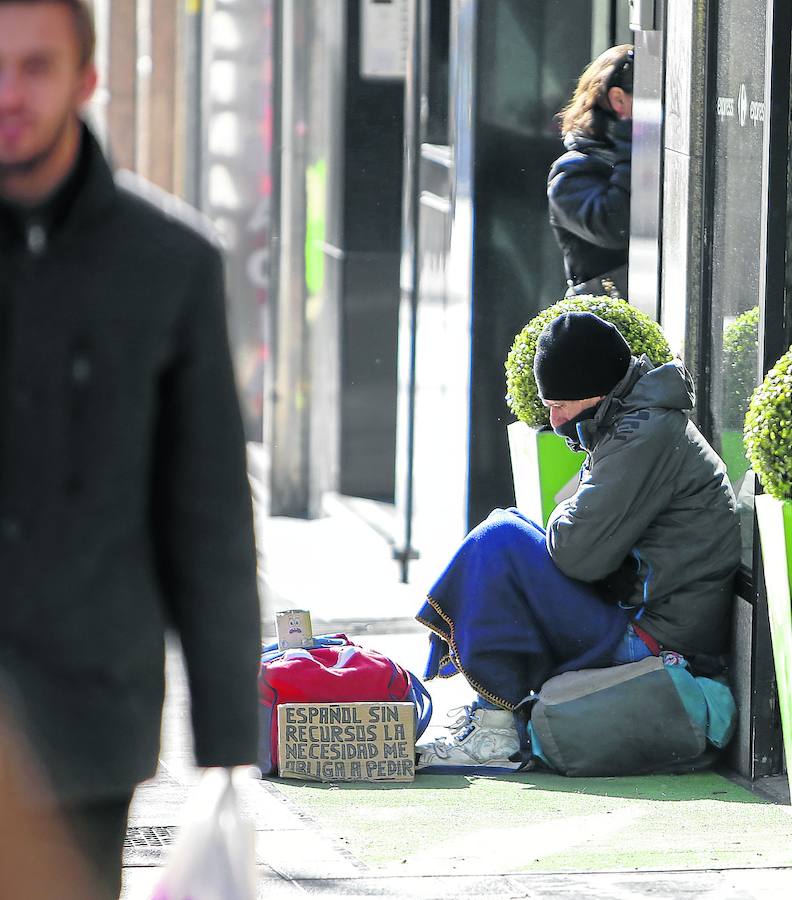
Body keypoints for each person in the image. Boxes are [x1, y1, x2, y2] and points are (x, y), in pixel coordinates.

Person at [0, 2, 261, 896]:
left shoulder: (169, 264)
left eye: (36, 66)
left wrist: (229, 743)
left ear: (86, 78)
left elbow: (209, 515)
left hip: (87, 719)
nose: (9, 93)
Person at [416, 312, 741, 769]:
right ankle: (492, 718)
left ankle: (495, 733)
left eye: (559, 404)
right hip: (638, 615)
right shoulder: (633, 420)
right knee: (503, 534)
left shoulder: (642, 435)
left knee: (501, 540)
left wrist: (564, 513)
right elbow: (576, 525)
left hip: (655, 639)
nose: (552, 419)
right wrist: (567, 513)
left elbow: (576, 553)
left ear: (595, 391)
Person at [547, 44, 634, 299]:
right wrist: (633, 146)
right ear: (618, 100)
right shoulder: (570, 172)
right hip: (607, 327)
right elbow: (617, 226)